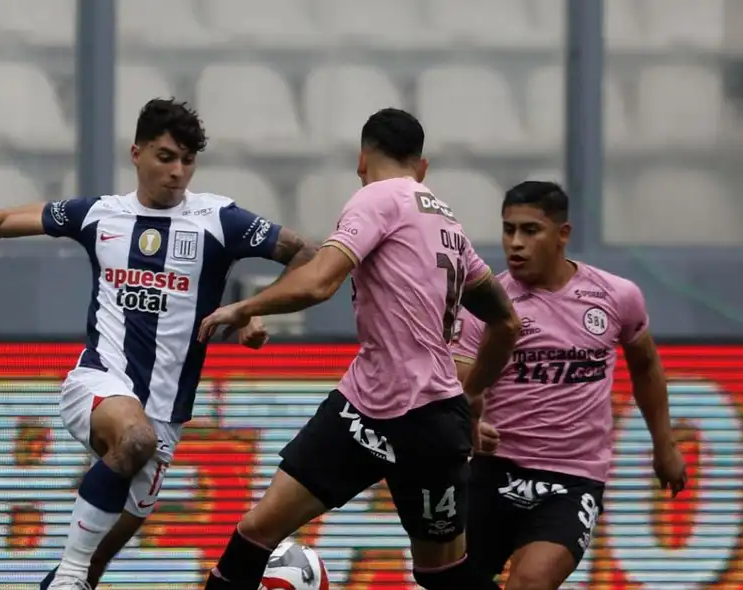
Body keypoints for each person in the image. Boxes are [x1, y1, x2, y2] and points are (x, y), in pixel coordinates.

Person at [0, 98, 317, 590]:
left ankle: (70, 577)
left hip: (167, 413)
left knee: (92, 565)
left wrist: (255, 309)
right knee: (132, 444)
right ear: (137, 153)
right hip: (99, 381)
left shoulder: (219, 219)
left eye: (187, 160)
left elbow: (305, 254)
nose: (178, 172)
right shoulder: (99, 216)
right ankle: (72, 573)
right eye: (166, 157)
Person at [196, 107, 523, 590]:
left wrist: (245, 307)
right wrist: (471, 397)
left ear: (361, 159)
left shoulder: (376, 198)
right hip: (423, 413)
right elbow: (506, 321)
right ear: (423, 165)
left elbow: (320, 281)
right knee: (443, 573)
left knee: (256, 533)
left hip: (382, 412)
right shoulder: (448, 222)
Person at [452, 181, 689, 590]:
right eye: (509, 230)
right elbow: (458, 379)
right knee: (445, 580)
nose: (516, 243)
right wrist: (469, 421)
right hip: (492, 472)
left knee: (529, 584)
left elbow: (646, 365)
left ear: (563, 234)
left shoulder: (616, 297)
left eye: (530, 230)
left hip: (571, 480)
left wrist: (664, 444)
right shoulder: (487, 304)